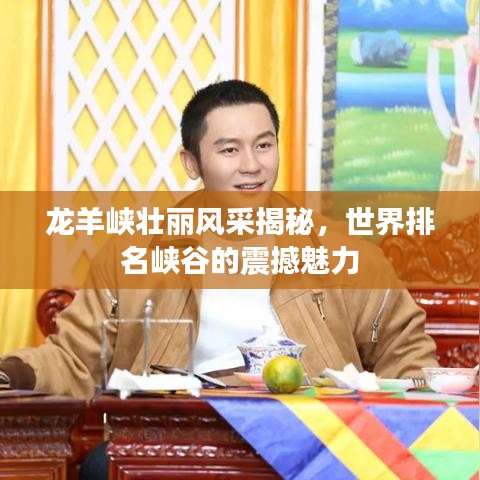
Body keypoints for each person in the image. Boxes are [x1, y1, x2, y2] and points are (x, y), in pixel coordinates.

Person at [0, 79, 438, 395]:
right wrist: (12, 372)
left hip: (311, 436)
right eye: (229, 150)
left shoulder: (340, 252)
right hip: (176, 436)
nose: (252, 165)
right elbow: (74, 359)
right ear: (192, 163)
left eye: (264, 145)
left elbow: (407, 355)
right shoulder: (133, 254)